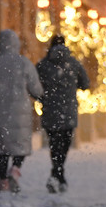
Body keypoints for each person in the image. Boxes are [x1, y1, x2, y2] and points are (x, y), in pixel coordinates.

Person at [0, 29, 43, 193]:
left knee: (1, 149)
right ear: (16, 44)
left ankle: (3, 181)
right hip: (21, 114)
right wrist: (41, 97)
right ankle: (15, 170)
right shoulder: (24, 63)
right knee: (21, 146)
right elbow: (36, 88)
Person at [36, 35, 90, 193]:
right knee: (64, 144)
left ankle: (57, 173)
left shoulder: (43, 65)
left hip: (50, 111)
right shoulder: (73, 64)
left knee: (54, 144)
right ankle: (58, 174)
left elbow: (34, 86)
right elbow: (85, 84)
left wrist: (43, 97)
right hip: (68, 111)